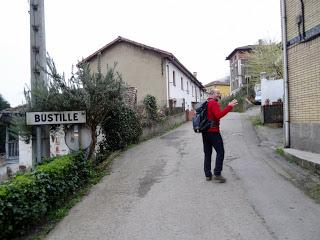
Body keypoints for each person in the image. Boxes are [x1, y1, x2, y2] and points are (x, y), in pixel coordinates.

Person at [202, 89, 238, 183]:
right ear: (212, 94)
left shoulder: (207, 102)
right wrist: (229, 107)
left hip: (205, 132)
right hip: (213, 132)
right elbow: (218, 115)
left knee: (208, 153)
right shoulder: (213, 103)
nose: (219, 95)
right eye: (217, 93)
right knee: (220, 152)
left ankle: (208, 175)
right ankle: (217, 173)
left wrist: (229, 105)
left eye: (219, 93)